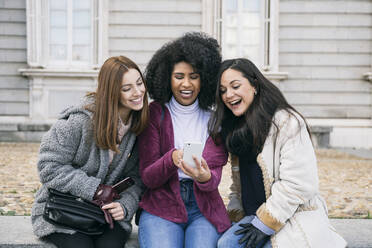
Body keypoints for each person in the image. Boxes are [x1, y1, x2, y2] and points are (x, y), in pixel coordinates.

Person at [209, 58, 347, 248]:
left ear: (254, 85)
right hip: (254, 217)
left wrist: (264, 224)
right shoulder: (237, 128)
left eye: (235, 86)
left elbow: (299, 184)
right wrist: (234, 215)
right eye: (223, 90)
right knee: (226, 244)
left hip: (292, 216)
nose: (229, 95)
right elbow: (238, 186)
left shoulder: (287, 122)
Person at [31, 55, 149, 248]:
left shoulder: (140, 126)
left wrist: (125, 206)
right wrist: (96, 190)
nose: (138, 92)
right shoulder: (80, 121)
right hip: (64, 208)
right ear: (111, 93)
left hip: (106, 215)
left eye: (139, 83)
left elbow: (136, 178)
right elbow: (48, 167)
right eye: (127, 89)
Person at [137, 32, 230, 248]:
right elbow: (148, 177)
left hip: (203, 207)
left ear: (204, 79)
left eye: (194, 76)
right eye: (179, 76)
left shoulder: (215, 118)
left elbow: (214, 175)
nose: (186, 84)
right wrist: (172, 158)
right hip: (161, 205)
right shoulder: (155, 114)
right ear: (167, 78)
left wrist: (205, 177)